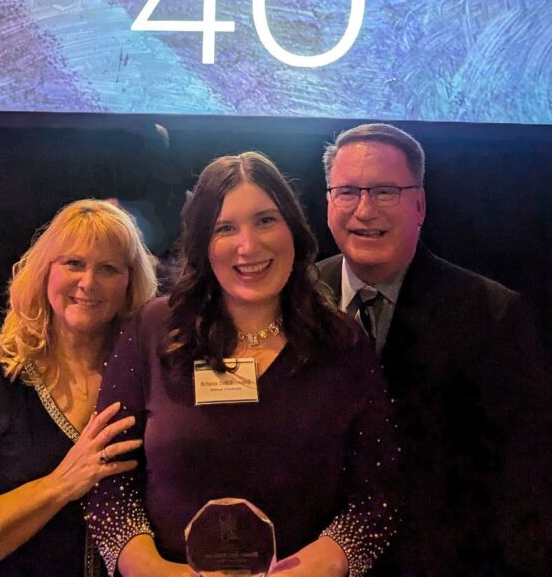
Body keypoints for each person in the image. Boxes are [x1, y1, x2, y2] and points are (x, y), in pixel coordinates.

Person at [85, 151, 399, 577]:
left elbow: (378, 491)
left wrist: (329, 561)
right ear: (202, 244)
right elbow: (107, 477)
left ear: (293, 229)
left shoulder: (342, 343)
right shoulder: (153, 329)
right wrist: (152, 570)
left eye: (266, 220)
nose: (248, 246)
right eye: (225, 228)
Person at [318, 123, 552, 577]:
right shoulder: (295, 300)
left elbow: (534, 481)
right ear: (328, 203)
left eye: (384, 191)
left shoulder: (490, 314)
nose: (364, 209)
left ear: (419, 204)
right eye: (347, 191)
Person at [0, 198, 159, 577]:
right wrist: (59, 485)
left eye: (108, 268)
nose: (88, 283)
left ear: (129, 284)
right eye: (73, 263)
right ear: (44, 272)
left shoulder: (147, 377)